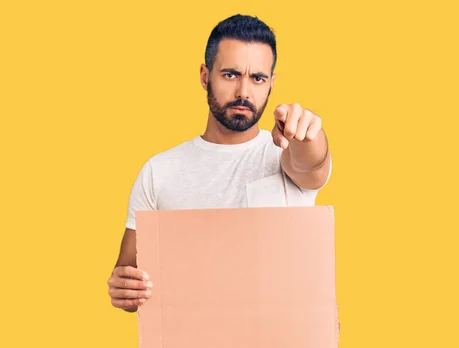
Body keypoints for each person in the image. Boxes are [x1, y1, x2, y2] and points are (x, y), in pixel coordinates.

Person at [106, 14, 332, 312]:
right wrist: (124, 288)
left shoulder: (286, 153)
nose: (244, 92)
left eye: (258, 78)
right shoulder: (159, 171)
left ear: (271, 84)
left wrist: (307, 132)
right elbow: (131, 275)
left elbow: (311, 164)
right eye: (230, 74)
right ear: (204, 76)